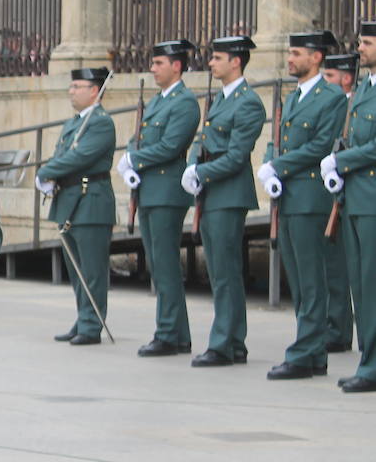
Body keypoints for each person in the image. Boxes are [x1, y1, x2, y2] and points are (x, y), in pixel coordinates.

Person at [258, 31, 347, 380]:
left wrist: (278, 166)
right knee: (298, 278)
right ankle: (312, 353)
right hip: (289, 197)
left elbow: (321, 145)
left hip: (311, 199)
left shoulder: (331, 97)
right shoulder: (293, 97)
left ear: (317, 57)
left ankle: (306, 351)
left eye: (297, 53)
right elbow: (278, 139)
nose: (290, 59)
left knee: (311, 281)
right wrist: (270, 166)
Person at [182, 36, 268, 366]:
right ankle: (233, 343)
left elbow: (235, 156)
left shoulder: (247, 102)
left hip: (228, 194)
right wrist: (192, 164)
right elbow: (203, 139)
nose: (211, 63)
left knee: (226, 272)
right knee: (220, 272)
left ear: (236, 61)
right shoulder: (220, 99)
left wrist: (202, 173)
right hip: (212, 192)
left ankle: (224, 344)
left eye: (217, 58)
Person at [117, 39, 200, 357]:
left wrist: (135, 160)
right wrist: (130, 155)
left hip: (167, 192)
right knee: (158, 264)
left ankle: (168, 333)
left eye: (159, 63)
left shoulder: (184, 103)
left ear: (176, 66)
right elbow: (137, 137)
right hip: (150, 190)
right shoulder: (156, 101)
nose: (153, 69)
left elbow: (170, 146)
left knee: (164, 264)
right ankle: (177, 334)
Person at [36, 66, 116, 344]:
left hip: (90, 200)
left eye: (77, 87)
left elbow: (79, 157)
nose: (72, 91)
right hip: (69, 200)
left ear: (95, 90)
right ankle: (83, 317)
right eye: (71, 87)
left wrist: (46, 171)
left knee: (92, 270)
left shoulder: (101, 122)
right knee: (76, 269)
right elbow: (63, 154)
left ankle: (92, 324)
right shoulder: (75, 123)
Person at [331, 20, 376, 392]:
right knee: (360, 286)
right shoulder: (363, 88)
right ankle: (368, 359)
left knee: (372, 283)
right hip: (355, 198)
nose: (359, 49)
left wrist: (341, 163)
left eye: (366, 43)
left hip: (373, 200)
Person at [319, 53, 359, 354]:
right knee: (333, 265)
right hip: (332, 192)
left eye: (330, 76)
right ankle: (337, 327)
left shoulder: (353, 105)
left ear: (346, 78)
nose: (326, 82)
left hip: (356, 191)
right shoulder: (336, 105)